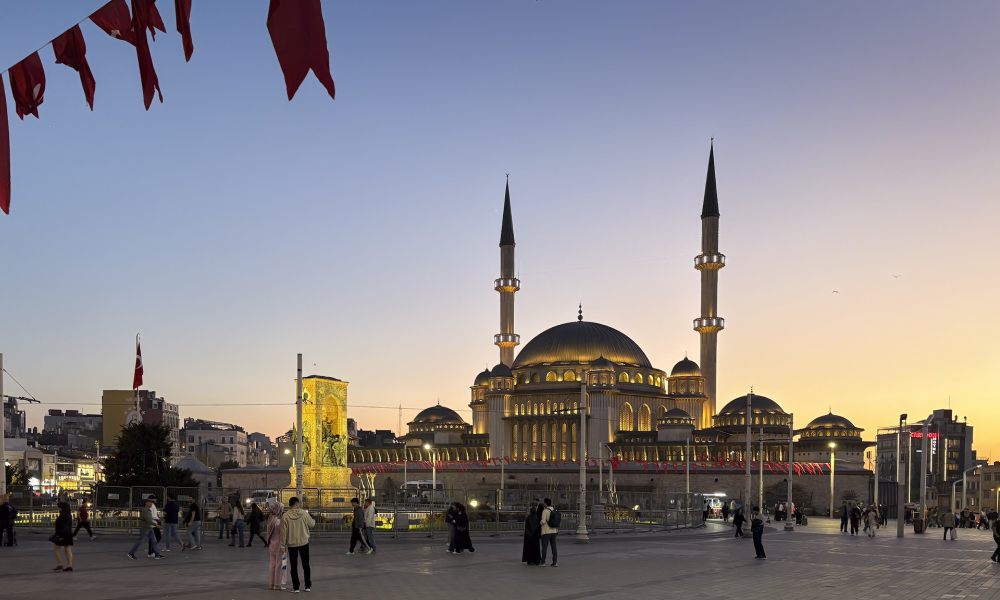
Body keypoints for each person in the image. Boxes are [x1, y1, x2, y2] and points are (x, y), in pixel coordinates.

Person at [280, 496, 316, 593]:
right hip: (303, 542)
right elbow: (312, 524)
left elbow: (283, 533)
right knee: (306, 565)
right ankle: (307, 586)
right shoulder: (304, 514)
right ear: (297, 504)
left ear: (290, 504)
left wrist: (282, 546)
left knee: (293, 566)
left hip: (292, 544)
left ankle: (296, 587)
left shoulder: (285, 516)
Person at [266, 501, 285, 590]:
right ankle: (278, 584)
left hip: (272, 544)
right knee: (279, 565)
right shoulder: (278, 521)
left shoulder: (270, 520)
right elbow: (283, 534)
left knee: (272, 564)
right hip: (279, 544)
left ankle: (272, 583)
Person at [52, 502, 74, 571]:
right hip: (69, 534)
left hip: (63, 534)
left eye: (59, 507)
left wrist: (60, 535)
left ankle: (59, 564)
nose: (58, 509)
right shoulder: (68, 515)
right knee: (68, 549)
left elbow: (62, 526)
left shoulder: (62, 516)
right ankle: (70, 565)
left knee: (56, 548)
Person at [522, 501, 542, 565]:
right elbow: (537, 527)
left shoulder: (528, 518)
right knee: (535, 548)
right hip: (535, 536)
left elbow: (527, 527)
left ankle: (529, 560)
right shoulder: (536, 518)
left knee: (529, 548)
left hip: (529, 536)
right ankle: (536, 560)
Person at [539, 498, 558, 567]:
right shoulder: (554, 510)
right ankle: (555, 562)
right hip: (554, 531)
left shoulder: (545, 511)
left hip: (546, 531)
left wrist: (540, 523)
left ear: (546, 504)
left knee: (544, 547)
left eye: (544, 503)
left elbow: (543, 521)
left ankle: (543, 562)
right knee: (554, 547)